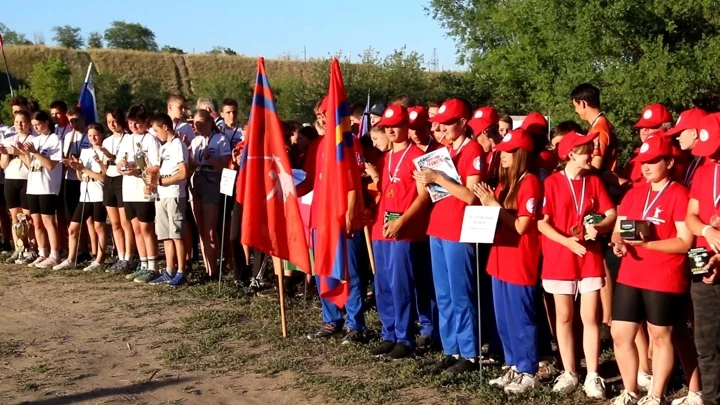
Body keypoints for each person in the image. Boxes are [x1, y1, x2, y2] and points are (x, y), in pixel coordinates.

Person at [610, 135, 694, 405]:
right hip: (631, 272)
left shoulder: (679, 193)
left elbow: (684, 242)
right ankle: (630, 390)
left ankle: (655, 395)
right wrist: (618, 243)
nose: (645, 167)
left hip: (664, 274)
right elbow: (619, 229)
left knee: (660, 336)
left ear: (669, 162)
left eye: (653, 161)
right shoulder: (635, 192)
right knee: (620, 333)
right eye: (643, 161)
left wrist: (649, 243)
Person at [538, 131, 616, 399]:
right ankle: (570, 371)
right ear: (571, 154)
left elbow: (610, 213)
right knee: (564, 317)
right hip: (561, 254)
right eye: (586, 150)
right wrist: (567, 242)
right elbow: (541, 223)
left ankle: (593, 374)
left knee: (590, 318)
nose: (592, 153)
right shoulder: (551, 182)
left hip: (589, 255)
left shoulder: (593, 181)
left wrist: (600, 226)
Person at [413, 98, 484, 375]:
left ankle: (469, 353)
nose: (442, 128)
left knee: (461, 294)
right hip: (439, 226)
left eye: (448, 123)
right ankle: (451, 349)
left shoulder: (472, 149)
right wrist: (426, 180)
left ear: (463, 123)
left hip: (459, 228)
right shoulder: (445, 150)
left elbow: (470, 195)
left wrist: (438, 178)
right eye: (440, 124)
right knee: (443, 295)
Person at [474, 129, 542, 393]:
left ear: (521, 155)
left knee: (520, 317)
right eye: (502, 150)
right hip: (500, 257)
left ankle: (528, 370)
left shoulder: (530, 183)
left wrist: (494, 206)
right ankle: (514, 365)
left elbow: (522, 226)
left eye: (509, 151)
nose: (503, 154)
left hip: (519, 258)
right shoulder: (505, 183)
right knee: (503, 318)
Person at [368, 105, 431, 360]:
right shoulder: (384, 158)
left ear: (406, 127)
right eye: (387, 127)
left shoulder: (418, 156)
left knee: (401, 285)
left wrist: (402, 221)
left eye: (396, 126)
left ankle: (405, 338)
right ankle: (389, 333)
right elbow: (383, 191)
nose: (391, 130)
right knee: (382, 284)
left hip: (405, 231)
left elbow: (424, 196)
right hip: (381, 229)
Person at [685, 112, 720, 405]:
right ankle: (710, 398)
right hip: (702, 261)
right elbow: (691, 216)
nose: (714, 157)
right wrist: (707, 230)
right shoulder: (704, 172)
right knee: (705, 343)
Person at [53, 123, 107, 271]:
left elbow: (104, 177)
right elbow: (81, 176)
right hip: (85, 194)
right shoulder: (85, 151)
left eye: (96, 135)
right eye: (90, 136)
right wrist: (77, 168)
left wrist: (84, 169)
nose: (93, 138)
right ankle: (71, 259)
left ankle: (100, 260)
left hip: (99, 194)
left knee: (99, 227)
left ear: (102, 134)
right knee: (73, 227)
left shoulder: (105, 151)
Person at [118, 105, 161, 283]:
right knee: (135, 227)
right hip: (129, 189)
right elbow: (120, 160)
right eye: (131, 123)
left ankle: (153, 266)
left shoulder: (151, 140)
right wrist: (122, 167)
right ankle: (143, 264)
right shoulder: (127, 139)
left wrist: (138, 170)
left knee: (146, 228)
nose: (134, 127)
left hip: (144, 189)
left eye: (138, 123)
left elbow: (156, 165)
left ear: (145, 122)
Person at [146, 113, 189, 287]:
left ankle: (181, 271)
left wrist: (162, 181)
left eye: (157, 130)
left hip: (174, 194)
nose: (156, 134)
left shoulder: (178, 145)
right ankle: (169, 270)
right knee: (166, 236)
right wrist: (153, 184)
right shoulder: (164, 148)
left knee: (177, 234)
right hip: (162, 195)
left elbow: (183, 172)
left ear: (165, 127)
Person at [189, 109, 231, 280]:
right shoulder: (196, 140)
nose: (197, 127)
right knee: (201, 229)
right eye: (195, 124)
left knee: (211, 228)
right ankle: (207, 269)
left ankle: (214, 270)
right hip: (196, 178)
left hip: (212, 179)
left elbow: (226, 165)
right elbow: (192, 163)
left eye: (200, 123)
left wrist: (210, 158)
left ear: (209, 123)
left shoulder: (220, 139)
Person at [18, 110, 63, 268]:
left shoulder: (55, 139)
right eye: (34, 125)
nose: (36, 127)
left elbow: (51, 165)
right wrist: (22, 152)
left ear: (46, 122)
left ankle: (55, 255)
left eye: (38, 124)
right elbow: (30, 164)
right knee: (36, 222)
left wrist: (35, 152)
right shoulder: (35, 140)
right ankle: (42, 253)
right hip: (33, 185)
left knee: (48, 221)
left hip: (47, 187)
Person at [101, 108, 135, 273]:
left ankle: (129, 257)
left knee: (125, 222)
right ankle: (120, 256)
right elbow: (105, 165)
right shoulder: (106, 141)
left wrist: (112, 156)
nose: (112, 125)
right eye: (109, 122)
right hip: (109, 179)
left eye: (114, 121)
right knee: (114, 223)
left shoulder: (129, 138)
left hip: (124, 179)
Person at [61, 108, 94, 262]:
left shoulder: (90, 135)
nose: (73, 123)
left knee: (89, 219)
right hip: (71, 178)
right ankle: (81, 249)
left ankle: (93, 251)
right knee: (72, 217)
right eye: (70, 121)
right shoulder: (68, 136)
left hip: (87, 179)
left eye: (76, 120)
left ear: (83, 118)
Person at [1, 110, 35, 263]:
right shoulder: (9, 139)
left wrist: (19, 152)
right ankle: (18, 249)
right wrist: (6, 153)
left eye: (22, 122)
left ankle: (32, 249)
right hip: (10, 180)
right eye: (16, 122)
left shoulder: (33, 140)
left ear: (28, 123)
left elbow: (32, 165)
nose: (19, 125)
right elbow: (3, 165)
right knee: (15, 218)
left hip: (27, 180)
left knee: (28, 218)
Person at [665, 108, 710, 188]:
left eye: (679, 133)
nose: (677, 138)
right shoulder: (696, 160)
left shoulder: (708, 162)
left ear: (694, 133)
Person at [469, 106, 502, 187]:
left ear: (485, 132)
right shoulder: (485, 154)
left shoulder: (505, 154)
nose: (474, 140)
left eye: (476, 136)